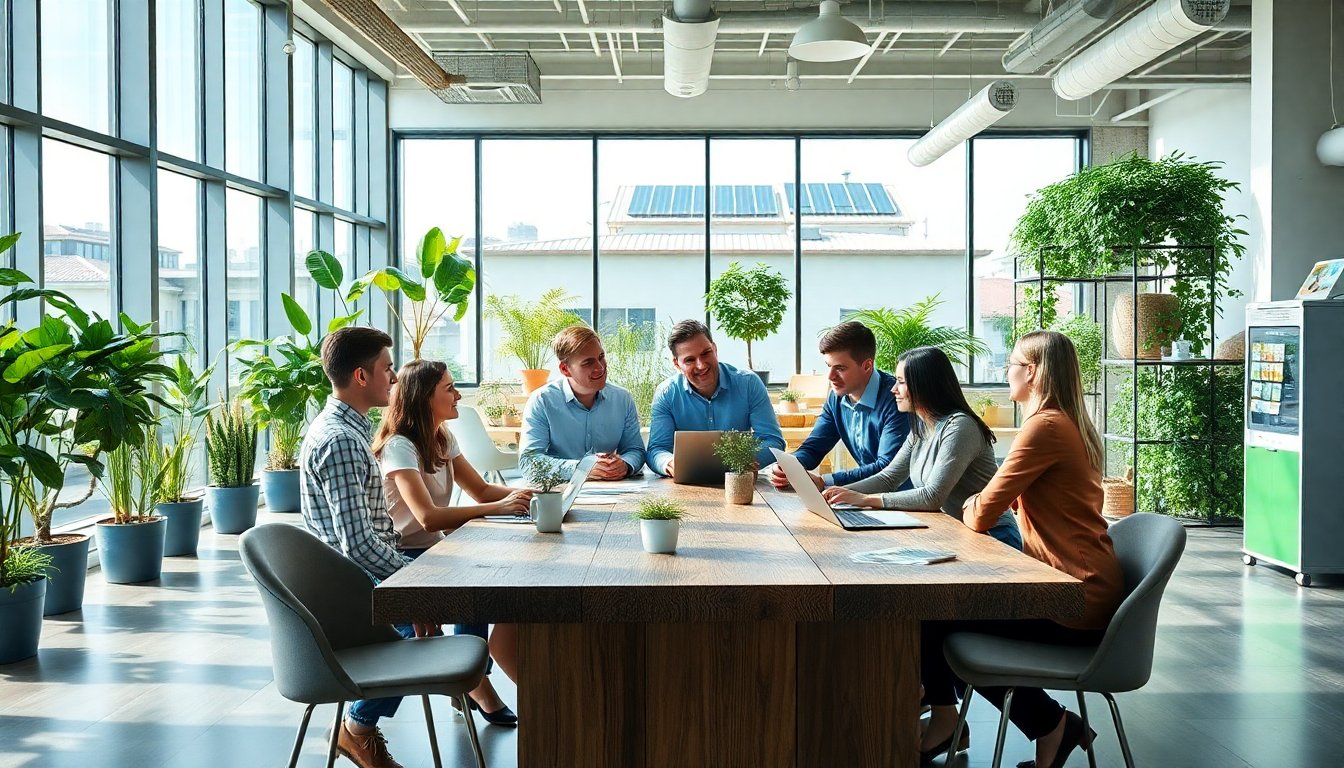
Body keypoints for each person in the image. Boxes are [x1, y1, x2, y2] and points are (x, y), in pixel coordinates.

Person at [917, 331, 1124, 767]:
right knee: (943, 618)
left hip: (1074, 599)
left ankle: (1022, 723)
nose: (1004, 372)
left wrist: (979, 500)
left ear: (1031, 372)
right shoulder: (1064, 422)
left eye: (1010, 364)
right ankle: (1049, 726)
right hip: (1074, 585)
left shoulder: (1044, 427)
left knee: (939, 621)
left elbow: (981, 513)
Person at [371, 359, 533, 727]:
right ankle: (475, 683)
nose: (458, 395)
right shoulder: (399, 446)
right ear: (425, 397)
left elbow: (481, 490)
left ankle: (475, 680)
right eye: (450, 388)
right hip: (399, 557)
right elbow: (427, 516)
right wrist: (500, 507)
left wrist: (532, 494)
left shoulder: (442, 436)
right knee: (416, 638)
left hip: (431, 549)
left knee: (479, 582)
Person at [299, 326, 413, 768]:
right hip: (351, 588)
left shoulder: (345, 428)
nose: (395, 378)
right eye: (388, 368)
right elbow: (359, 546)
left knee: (458, 597)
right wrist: (413, 581)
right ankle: (357, 728)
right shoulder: (342, 441)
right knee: (424, 621)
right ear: (362, 377)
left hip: (354, 576)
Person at [820, 346, 1022, 549]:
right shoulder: (921, 428)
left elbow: (932, 496)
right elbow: (888, 477)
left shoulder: (960, 426)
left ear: (924, 385)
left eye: (900, 382)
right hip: (958, 531)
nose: (893, 389)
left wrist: (864, 499)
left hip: (994, 537)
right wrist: (836, 493)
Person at [767, 321, 908, 492]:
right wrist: (788, 467)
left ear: (867, 366)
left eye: (840, 368)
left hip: (906, 503)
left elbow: (887, 467)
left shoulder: (897, 400)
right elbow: (813, 449)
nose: (830, 376)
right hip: (864, 498)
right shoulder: (836, 398)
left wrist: (825, 480)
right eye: (828, 366)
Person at [646, 319, 784, 478]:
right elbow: (657, 449)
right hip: (686, 485)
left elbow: (773, 441)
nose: (701, 365)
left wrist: (746, 459)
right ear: (677, 364)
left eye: (706, 353)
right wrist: (670, 463)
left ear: (715, 349)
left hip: (739, 481)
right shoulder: (666, 393)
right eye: (690, 360)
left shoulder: (749, 384)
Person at [518, 324, 645, 480]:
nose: (600, 367)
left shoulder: (622, 399)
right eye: (588, 363)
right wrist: (581, 469)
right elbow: (529, 462)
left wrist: (625, 464)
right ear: (565, 369)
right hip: (559, 493)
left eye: (601, 357)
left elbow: (635, 450)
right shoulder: (542, 401)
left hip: (612, 490)